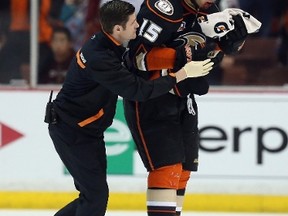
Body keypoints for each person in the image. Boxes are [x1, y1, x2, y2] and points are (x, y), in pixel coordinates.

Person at [45, 1, 214, 216]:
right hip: (72, 130)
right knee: (95, 197)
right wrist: (181, 74)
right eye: (134, 22)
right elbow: (139, 91)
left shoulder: (109, 44)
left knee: (93, 196)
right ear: (118, 29)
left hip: (86, 128)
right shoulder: (101, 58)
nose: (139, 26)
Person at [123, 0, 252, 215]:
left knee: (183, 170)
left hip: (184, 95)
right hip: (151, 95)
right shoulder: (163, 8)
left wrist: (222, 47)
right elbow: (136, 58)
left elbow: (207, 59)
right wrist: (182, 57)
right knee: (167, 168)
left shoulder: (209, 10)